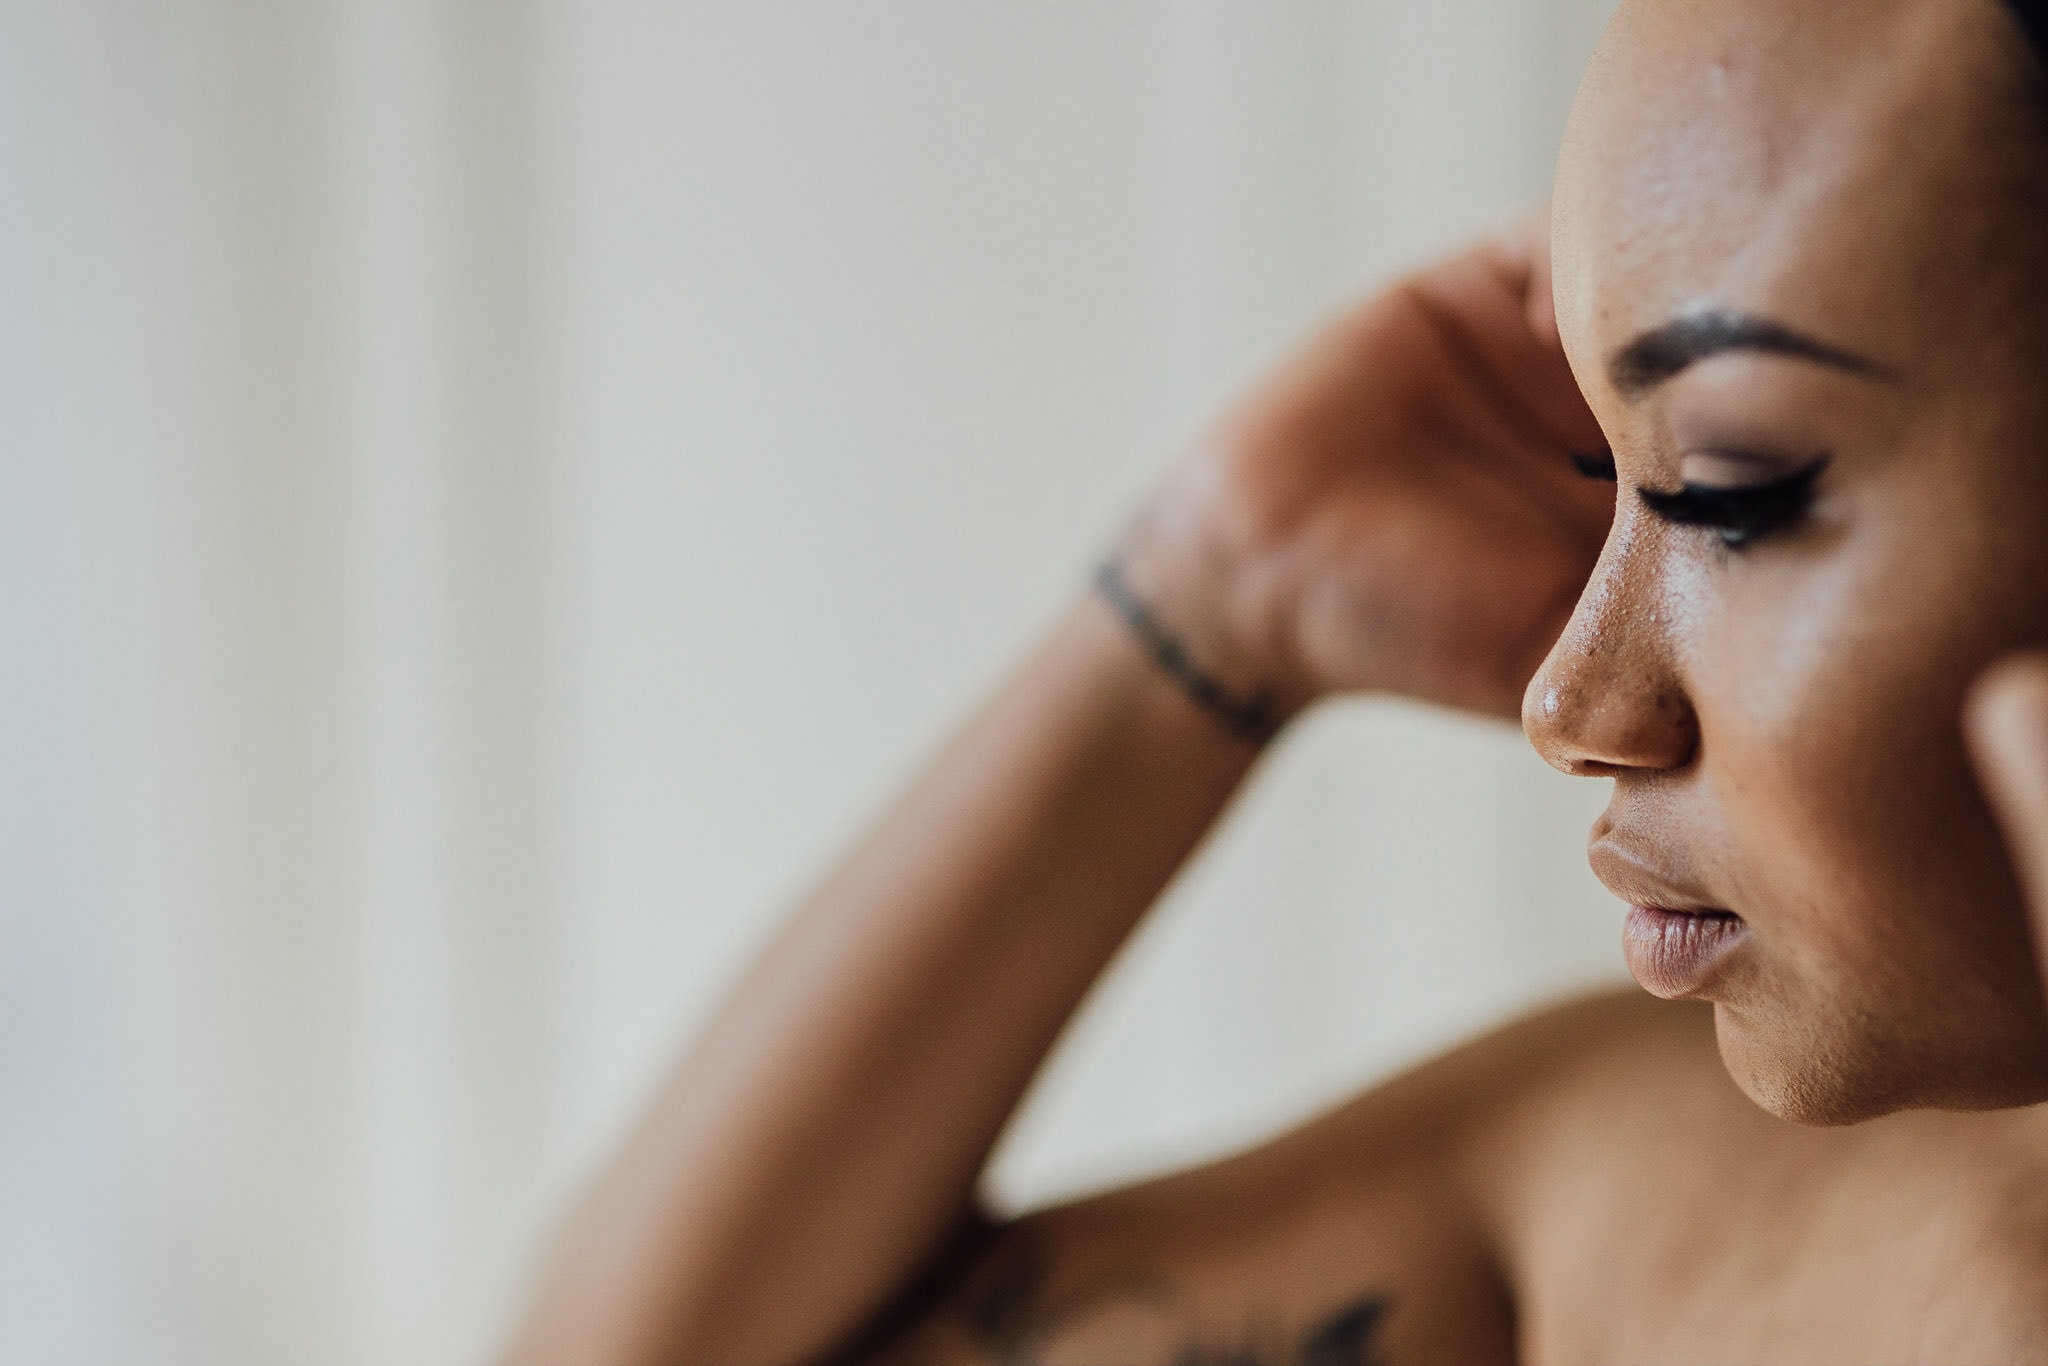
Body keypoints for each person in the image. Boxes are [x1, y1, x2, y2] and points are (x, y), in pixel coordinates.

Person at [502, 0, 2048, 1361]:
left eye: (1727, 490)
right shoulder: (1657, 1215)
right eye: (1599, 472)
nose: (1573, 702)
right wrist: (1208, 598)